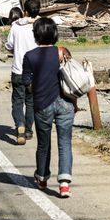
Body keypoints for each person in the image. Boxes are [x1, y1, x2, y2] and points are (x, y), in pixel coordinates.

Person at [21, 17, 75, 198]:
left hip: (42, 104)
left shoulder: (29, 56)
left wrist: (38, 86)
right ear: (54, 33)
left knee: (44, 144)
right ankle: (65, 184)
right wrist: (75, 103)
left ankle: (42, 177)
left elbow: (26, 83)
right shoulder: (62, 52)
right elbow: (71, 79)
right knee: (65, 143)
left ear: (36, 34)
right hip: (65, 103)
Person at [5, 0, 40, 145]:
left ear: (25, 11)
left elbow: (9, 45)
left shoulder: (15, 26)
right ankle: (28, 130)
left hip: (18, 70)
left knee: (18, 101)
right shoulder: (39, 26)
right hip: (34, 72)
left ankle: (19, 125)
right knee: (31, 102)